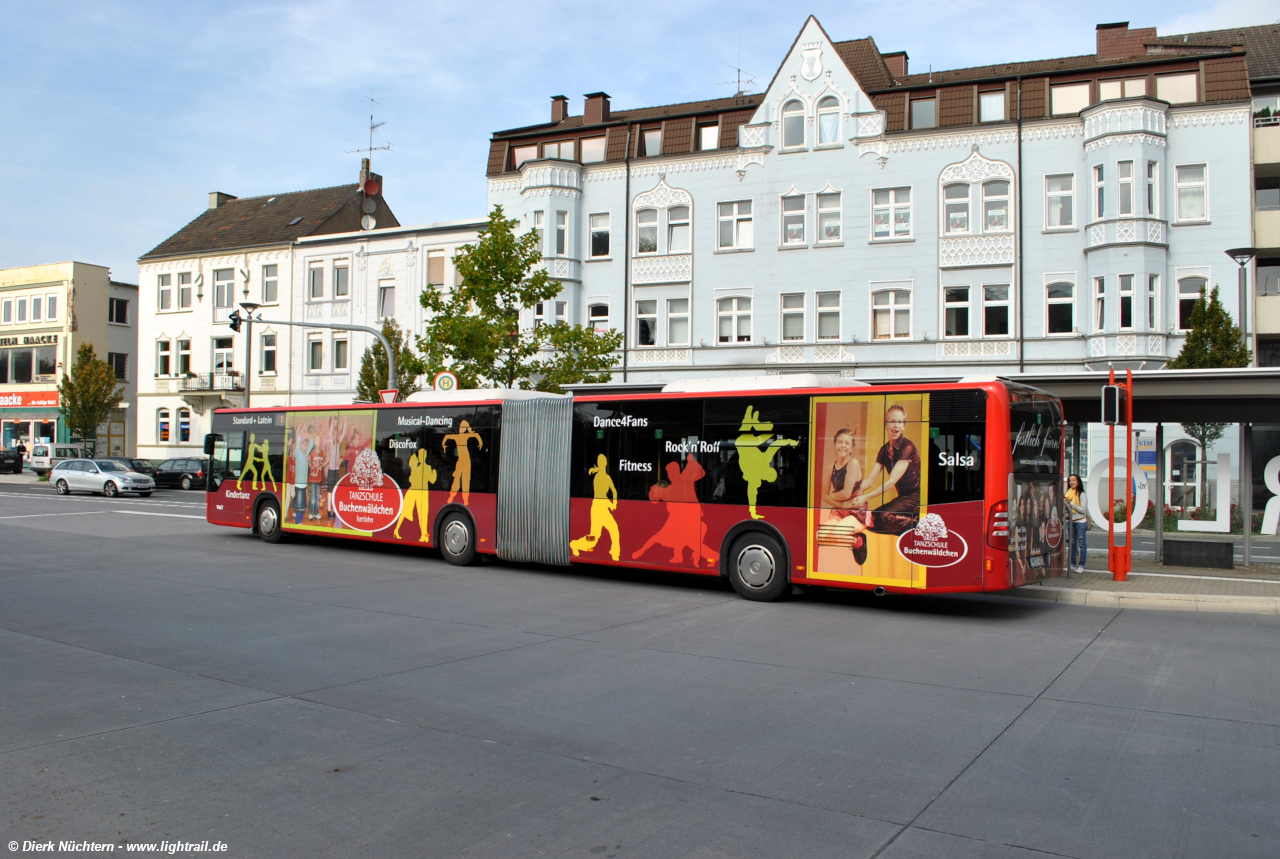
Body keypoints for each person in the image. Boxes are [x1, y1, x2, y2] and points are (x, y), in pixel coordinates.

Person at [1065, 473, 1088, 573]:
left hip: (1080, 521)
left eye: (1074, 480)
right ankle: (1072, 564)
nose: (1072, 482)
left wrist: (1071, 504)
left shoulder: (1081, 494)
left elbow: (1083, 510)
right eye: (1070, 480)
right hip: (1070, 521)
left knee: (1081, 543)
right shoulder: (1068, 493)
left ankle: (1081, 565)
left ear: (1078, 481)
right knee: (1072, 543)